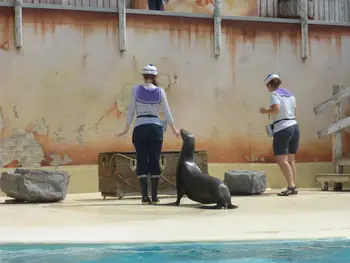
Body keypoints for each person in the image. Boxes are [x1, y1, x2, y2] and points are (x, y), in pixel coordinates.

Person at [115, 64, 180, 204]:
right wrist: (174, 129)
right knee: (155, 159)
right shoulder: (160, 92)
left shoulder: (136, 90)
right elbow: (167, 112)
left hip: (140, 127)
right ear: (155, 76)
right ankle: (155, 196)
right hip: (155, 129)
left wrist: (125, 129)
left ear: (143, 76)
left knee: (142, 159)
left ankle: (144, 197)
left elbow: (131, 110)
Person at [259, 73, 300, 196]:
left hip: (283, 128)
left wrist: (264, 111)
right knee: (291, 160)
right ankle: (293, 184)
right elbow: (295, 111)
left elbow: (276, 109)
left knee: (282, 160)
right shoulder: (290, 94)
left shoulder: (274, 94)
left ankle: (291, 186)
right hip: (294, 126)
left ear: (270, 85)